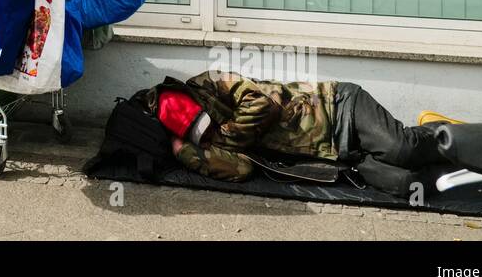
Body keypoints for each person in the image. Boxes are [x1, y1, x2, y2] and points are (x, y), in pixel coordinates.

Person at [156, 70, 443, 193]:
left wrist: (221, 136)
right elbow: (241, 170)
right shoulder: (201, 144)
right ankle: (461, 168)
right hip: (339, 156)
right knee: (407, 183)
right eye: (202, 135)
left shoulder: (212, 82)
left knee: (403, 149)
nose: (209, 135)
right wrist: (186, 153)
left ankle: (438, 131)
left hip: (339, 107)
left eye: (207, 125)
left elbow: (262, 106)